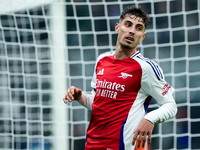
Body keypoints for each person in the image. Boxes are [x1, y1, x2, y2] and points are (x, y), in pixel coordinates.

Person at [63, 5, 177, 150]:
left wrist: (149, 119)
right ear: (117, 27)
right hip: (92, 144)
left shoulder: (145, 68)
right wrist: (81, 97)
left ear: (143, 36)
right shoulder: (102, 60)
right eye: (128, 25)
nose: (132, 31)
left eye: (138, 28)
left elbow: (171, 105)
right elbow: (97, 104)